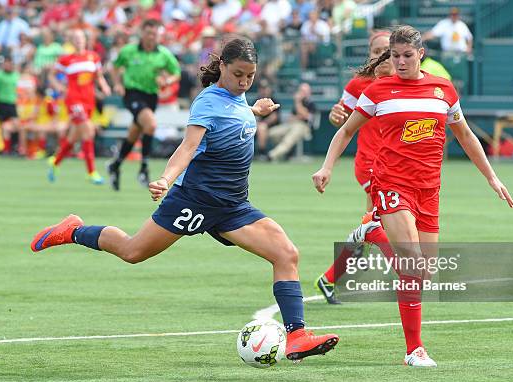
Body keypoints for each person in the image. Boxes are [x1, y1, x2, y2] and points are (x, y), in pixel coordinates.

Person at [30, 37, 339, 362]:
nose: (244, 81)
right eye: (238, 75)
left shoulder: (238, 96)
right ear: (222, 66)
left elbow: (230, 118)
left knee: (286, 254)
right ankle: (74, 230)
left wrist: (254, 110)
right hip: (195, 200)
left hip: (233, 206)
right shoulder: (207, 101)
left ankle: (298, 336)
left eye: (250, 76)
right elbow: (188, 147)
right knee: (133, 251)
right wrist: (166, 178)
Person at [312, 25, 513, 367]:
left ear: (421, 55)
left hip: (429, 190)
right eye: (395, 56)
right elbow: (346, 131)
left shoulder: (443, 90)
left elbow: (465, 135)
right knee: (412, 266)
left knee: (426, 271)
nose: (401, 62)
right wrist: (327, 167)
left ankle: (370, 232)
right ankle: (414, 350)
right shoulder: (378, 90)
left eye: (407, 55)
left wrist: (492, 176)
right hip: (391, 184)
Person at [315, 30, 394, 304]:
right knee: (383, 222)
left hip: (398, 168)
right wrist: (336, 115)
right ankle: (409, 273)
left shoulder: (406, 84)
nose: (383, 56)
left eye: (388, 50)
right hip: (372, 165)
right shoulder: (361, 84)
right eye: (377, 51)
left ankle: (329, 278)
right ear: (370, 57)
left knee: (374, 225)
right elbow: (341, 116)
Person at [107, 19, 181, 191]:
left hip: (151, 96)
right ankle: (144, 168)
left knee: (136, 131)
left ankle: (115, 165)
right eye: (148, 33)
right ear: (142, 33)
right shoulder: (129, 50)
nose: (151, 37)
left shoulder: (163, 54)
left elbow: (175, 72)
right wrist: (117, 83)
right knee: (151, 124)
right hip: (132, 93)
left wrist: (167, 80)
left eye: (155, 34)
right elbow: (115, 68)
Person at [47, 29, 111, 184]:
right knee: (88, 130)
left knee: (74, 137)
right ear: (71, 41)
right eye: (75, 38)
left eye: (80, 38)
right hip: (74, 101)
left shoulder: (93, 57)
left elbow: (98, 76)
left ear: (85, 39)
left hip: (89, 101)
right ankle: (91, 172)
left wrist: (105, 86)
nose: (78, 40)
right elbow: (51, 75)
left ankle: (55, 163)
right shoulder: (66, 59)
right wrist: (59, 87)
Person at [260, 83, 316, 161]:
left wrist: (298, 102)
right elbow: (291, 117)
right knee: (272, 133)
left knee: (289, 139)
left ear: (308, 92)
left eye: (304, 91)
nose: (301, 93)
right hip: (292, 124)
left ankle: (271, 156)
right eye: (301, 90)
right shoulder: (297, 103)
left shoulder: (310, 103)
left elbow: (305, 116)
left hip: (304, 126)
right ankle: (287, 151)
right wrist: (298, 116)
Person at [0, 56, 20, 155]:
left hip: (12, 104)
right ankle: (2, 149)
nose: (8, 65)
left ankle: (14, 147)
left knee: (16, 125)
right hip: (1, 103)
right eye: (6, 63)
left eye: (10, 63)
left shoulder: (16, 75)